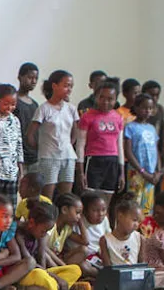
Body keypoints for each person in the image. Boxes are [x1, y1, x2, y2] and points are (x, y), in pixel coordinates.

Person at [17, 199, 86, 290]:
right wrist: (55, 277)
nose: (45, 234)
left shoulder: (40, 234)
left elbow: (41, 257)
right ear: (32, 223)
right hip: (27, 273)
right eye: (43, 231)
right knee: (40, 275)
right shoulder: (19, 234)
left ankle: (51, 286)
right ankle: (59, 287)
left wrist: (49, 274)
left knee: (75, 269)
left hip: (41, 271)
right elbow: (29, 263)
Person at [29, 70, 78, 199]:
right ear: (54, 86)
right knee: (47, 197)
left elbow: (75, 132)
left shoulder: (71, 109)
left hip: (68, 157)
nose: (69, 89)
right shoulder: (44, 108)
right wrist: (41, 149)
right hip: (49, 157)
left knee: (66, 197)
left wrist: (68, 145)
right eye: (66, 85)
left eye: (71, 86)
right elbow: (30, 134)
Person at [75, 79, 125, 204]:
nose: (105, 101)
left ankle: (103, 224)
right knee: (90, 200)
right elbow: (80, 145)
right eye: (101, 97)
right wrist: (80, 172)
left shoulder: (118, 118)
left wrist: (122, 172)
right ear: (96, 97)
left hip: (112, 162)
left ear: (116, 99)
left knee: (106, 201)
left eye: (110, 98)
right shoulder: (87, 117)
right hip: (93, 161)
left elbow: (120, 146)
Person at [124, 93, 163, 216]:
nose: (147, 111)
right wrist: (142, 171)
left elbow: (155, 150)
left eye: (150, 108)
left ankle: (144, 233)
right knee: (135, 204)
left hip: (151, 174)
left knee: (147, 206)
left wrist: (158, 171)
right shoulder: (130, 127)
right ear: (136, 108)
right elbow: (128, 152)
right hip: (136, 172)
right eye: (144, 108)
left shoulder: (151, 128)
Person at [15, 62, 41, 171]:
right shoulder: (13, 102)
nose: (34, 81)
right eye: (30, 77)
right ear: (20, 77)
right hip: (18, 156)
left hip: (34, 156)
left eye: (36, 78)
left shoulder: (35, 105)